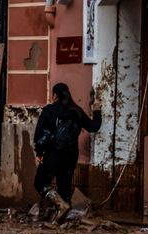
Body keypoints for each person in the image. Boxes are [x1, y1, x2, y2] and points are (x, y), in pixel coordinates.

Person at [32, 82, 102, 223]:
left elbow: (39, 136)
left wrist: (40, 154)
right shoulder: (76, 111)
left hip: (53, 154)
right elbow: (94, 127)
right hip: (71, 156)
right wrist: (97, 110)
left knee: (40, 182)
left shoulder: (49, 111)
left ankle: (60, 205)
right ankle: (62, 220)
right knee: (64, 186)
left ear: (55, 95)